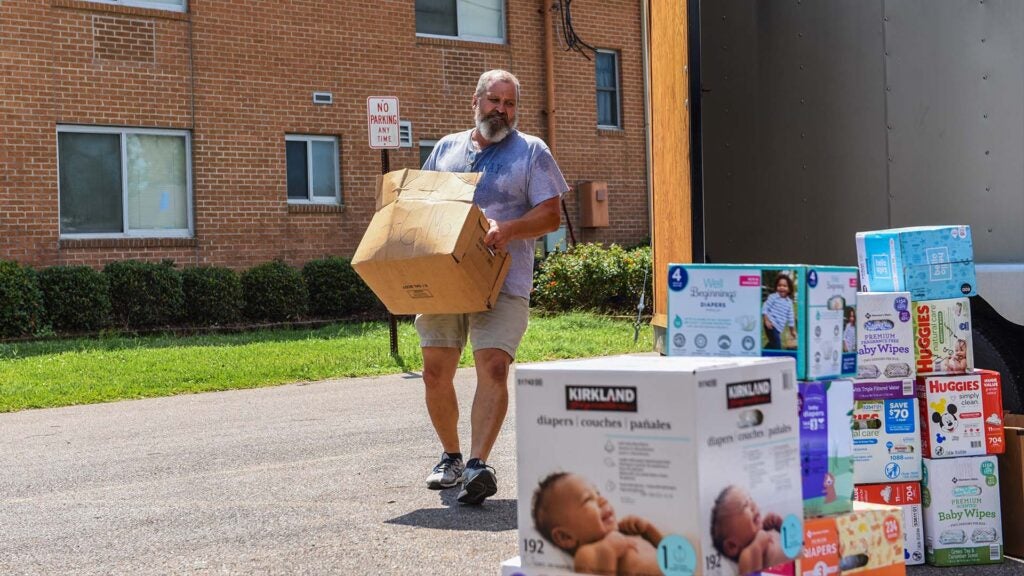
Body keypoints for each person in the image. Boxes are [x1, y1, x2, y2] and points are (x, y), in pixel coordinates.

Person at [417, 69, 567, 505]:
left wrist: (511, 228)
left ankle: (479, 465)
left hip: (504, 278)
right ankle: (451, 458)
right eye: (494, 101)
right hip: (446, 280)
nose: (502, 110)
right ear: (476, 101)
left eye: (510, 103)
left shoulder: (531, 152)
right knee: (434, 371)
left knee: (494, 367)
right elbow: (422, 205)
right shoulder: (445, 148)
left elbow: (552, 216)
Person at [531, 472, 665, 575]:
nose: (602, 500)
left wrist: (648, 530)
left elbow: (673, 554)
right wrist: (609, 550)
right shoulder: (587, 554)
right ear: (565, 537)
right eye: (588, 499)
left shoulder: (626, 532)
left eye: (598, 493)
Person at [709, 485, 790, 574]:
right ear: (732, 546)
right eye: (744, 506)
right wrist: (757, 546)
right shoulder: (747, 555)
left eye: (750, 499)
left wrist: (780, 527)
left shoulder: (764, 533)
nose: (752, 505)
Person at [762, 274, 796, 350]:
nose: (781, 288)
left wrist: (792, 331)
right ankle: (776, 357)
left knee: (772, 343)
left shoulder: (789, 302)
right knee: (777, 345)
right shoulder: (773, 297)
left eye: (784, 286)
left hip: (778, 328)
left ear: (789, 289)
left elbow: (790, 318)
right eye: (779, 285)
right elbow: (765, 307)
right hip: (770, 324)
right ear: (776, 287)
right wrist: (766, 320)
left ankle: (763, 352)